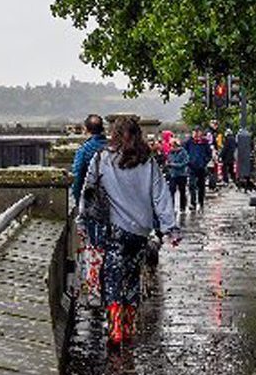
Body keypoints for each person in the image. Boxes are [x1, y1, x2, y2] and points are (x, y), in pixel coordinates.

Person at [81, 116, 180, 346]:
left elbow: (88, 192)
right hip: (140, 231)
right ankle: (127, 326)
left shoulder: (102, 159)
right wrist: (170, 228)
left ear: (113, 134)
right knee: (133, 276)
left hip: (114, 229)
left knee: (113, 277)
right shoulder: (148, 161)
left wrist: (82, 222)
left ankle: (115, 329)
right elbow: (161, 196)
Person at [70, 114, 108, 302]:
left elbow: (77, 178)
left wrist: (78, 203)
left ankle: (95, 290)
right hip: (115, 205)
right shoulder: (112, 148)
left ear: (86, 129)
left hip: (93, 205)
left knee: (94, 246)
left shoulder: (84, 150)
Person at [182, 127, 212, 209]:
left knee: (201, 186)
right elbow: (184, 153)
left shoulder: (205, 142)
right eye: (194, 132)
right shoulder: (188, 142)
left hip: (201, 167)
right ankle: (193, 203)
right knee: (192, 185)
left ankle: (201, 201)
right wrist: (188, 161)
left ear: (200, 133)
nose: (195, 133)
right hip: (191, 167)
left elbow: (209, 154)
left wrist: (204, 161)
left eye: (197, 132)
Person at [164, 135, 190, 211]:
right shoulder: (170, 153)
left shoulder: (183, 152)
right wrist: (167, 165)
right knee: (171, 191)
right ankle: (171, 207)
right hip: (172, 175)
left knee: (182, 191)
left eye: (172, 145)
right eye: (170, 145)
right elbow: (168, 161)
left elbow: (184, 163)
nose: (171, 147)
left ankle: (182, 207)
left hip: (182, 174)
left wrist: (172, 165)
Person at [235, 126, 255, 191]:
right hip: (245, 158)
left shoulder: (241, 139)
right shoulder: (249, 140)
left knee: (242, 173)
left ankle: (243, 186)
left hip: (242, 158)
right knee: (245, 173)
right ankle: (245, 186)